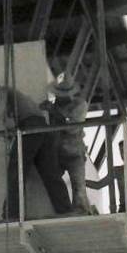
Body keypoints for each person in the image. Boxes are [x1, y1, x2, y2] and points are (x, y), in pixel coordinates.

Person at [0, 80, 71, 221]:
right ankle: (65, 209)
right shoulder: (17, 98)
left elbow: (0, 109)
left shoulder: (2, 91)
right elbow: (10, 121)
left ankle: (12, 214)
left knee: (15, 172)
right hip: (42, 129)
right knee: (50, 172)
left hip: (30, 128)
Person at [46, 75, 92, 214]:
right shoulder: (53, 107)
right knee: (52, 181)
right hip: (56, 151)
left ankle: (82, 210)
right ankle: (63, 209)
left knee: (78, 185)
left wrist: (53, 111)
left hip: (74, 150)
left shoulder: (79, 104)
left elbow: (73, 128)